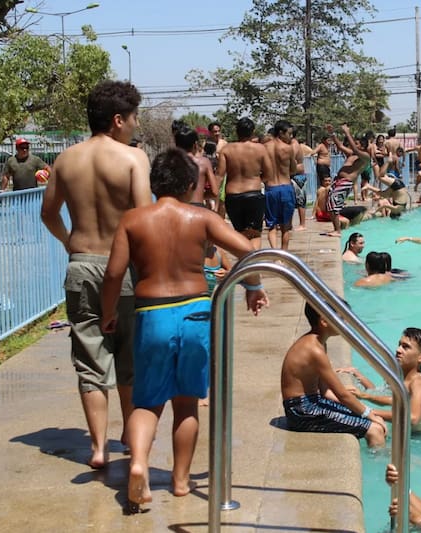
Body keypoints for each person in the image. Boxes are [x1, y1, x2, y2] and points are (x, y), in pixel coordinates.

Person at [100, 147, 268, 512]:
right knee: (187, 403)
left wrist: (108, 313)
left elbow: (113, 273)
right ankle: (179, 481)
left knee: (147, 401)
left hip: (152, 313)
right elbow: (247, 250)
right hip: (195, 311)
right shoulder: (201, 218)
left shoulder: (133, 220)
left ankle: (140, 463)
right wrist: (253, 286)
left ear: (152, 183)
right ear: (192, 183)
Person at [41, 80, 152, 470]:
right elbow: (142, 217)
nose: (137, 126)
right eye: (135, 118)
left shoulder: (66, 160)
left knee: (90, 359)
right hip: (123, 267)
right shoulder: (133, 159)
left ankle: (99, 449)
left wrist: (70, 241)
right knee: (129, 357)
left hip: (81, 264)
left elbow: (48, 214)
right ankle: (129, 434)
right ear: (118, 120)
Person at [280, 301, 387, 447]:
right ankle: (380, 463)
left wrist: (363, 411)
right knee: (374, 429)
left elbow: (326, 392)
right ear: (324, 321)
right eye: (341, 318)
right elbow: (341, 393)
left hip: (311, 402)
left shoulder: (319, 343)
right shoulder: (314, 350)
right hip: (301, 411)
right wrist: (367, 413)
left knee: (371, 419)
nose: (345, 322)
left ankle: (384, 453)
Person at [339, 327, 421, 431]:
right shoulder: (400, 375)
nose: (398, 350)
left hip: (414, 437)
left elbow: (413, 417)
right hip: (401, 429)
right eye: (399, 344)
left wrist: (368, 411)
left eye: (405, 347)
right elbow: (382, 394)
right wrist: (359, 377)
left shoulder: (418, 383)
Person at [218, 116, 274, 250]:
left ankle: (246, 265)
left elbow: (219, 176)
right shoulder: (260, 149)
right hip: (253, 194)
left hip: (233, 195)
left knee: (240, 234)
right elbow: (269, 174)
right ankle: (254, 266)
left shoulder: (226, 150)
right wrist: (257, 180)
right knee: (254, 235)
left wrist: (215, 197)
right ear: (253, 131)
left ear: (237, 131)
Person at [325, 124, 370, 237]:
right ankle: (336, 228)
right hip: (338, 182)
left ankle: (338, 231)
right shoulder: (351, 154)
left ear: (363, 146)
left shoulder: (365, 156)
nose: (354, 145)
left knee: (333, 205)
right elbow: (340, 146)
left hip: (345, 183)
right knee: (330, 205)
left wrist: (347, 132)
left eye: (357, 143)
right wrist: (332, 133)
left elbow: (354, 148)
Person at [263, 119, 298, 249]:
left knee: (271, 226)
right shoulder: (287, 148)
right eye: (289, 134)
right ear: (281, 133)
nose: (291, 136)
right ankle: (284, 254)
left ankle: (275, 254)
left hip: (270, 188)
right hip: (285, 187)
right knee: (285, 226)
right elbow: (293, 170)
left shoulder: (264, 148)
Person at [173, 123, 220, 207]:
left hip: (178, 207)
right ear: (195, 145)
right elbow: (215, 192)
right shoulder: (204, 162)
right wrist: (200, 196)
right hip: (198, 206)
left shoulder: (171, 162)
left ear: (176, 145)